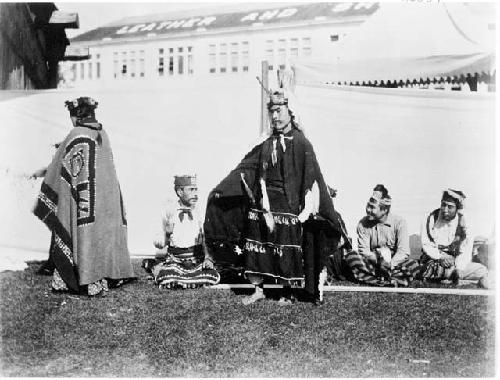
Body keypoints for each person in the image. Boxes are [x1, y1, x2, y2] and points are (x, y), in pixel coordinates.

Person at [204, 89, 342, 305]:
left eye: (279, 110)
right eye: (272, 112)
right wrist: (223, 188)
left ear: (290, 111)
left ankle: (286, 292)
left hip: (288, 203)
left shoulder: (301, 142)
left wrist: (309, 203)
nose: (275, 116)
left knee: (285, 246)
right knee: (255, 242)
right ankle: (258, 289)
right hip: (264, 201)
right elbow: (247, 167)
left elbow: (312, 174)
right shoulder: (266, 142)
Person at [32, 97, 135, 296]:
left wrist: (40, 173)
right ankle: (106, 275)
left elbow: (59, 167)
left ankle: (80, 278)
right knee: (98, 236)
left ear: (75, 116)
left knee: (78, 232)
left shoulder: (76, 133)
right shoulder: (102, 133)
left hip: (84, 199)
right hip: (105, 199)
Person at [143, 175, 220, 289]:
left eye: (196, 189)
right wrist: (167, 234)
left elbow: (207, 240)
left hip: (196, 261)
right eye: (191, 190)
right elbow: (157, 243)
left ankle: (181, 280)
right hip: (175, 261)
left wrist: (208, 259)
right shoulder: (168, 210)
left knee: (213, 275)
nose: (195, 194)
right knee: (166, 275)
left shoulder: (201, 211)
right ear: (180, 192)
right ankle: (181, 278)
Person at [344, 184, 420, 286]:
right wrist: (379, 261)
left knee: (413, 265)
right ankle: (392, 281)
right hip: (374, 264)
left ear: (384, 210)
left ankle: (379, 280)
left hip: (395, 265)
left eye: (372, 207)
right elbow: (364, 251)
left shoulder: (400, 223)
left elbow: (403, 252)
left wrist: (390, 265)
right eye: (368, 206)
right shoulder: (363, 224)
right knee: (352, 257)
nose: (368, 210)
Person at [419, 189, 489, 288]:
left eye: (450, 207)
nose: (445, 210)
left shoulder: (464, 223)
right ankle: (453, 278)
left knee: (481, 269)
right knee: (436, 269)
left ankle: (453, 277)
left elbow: (465, 249)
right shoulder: (430, 218)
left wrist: (459, 268)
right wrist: (441, 257)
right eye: (443, 205)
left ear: (457, 208)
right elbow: (426, 244)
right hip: (435, 260)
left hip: (456, 262)